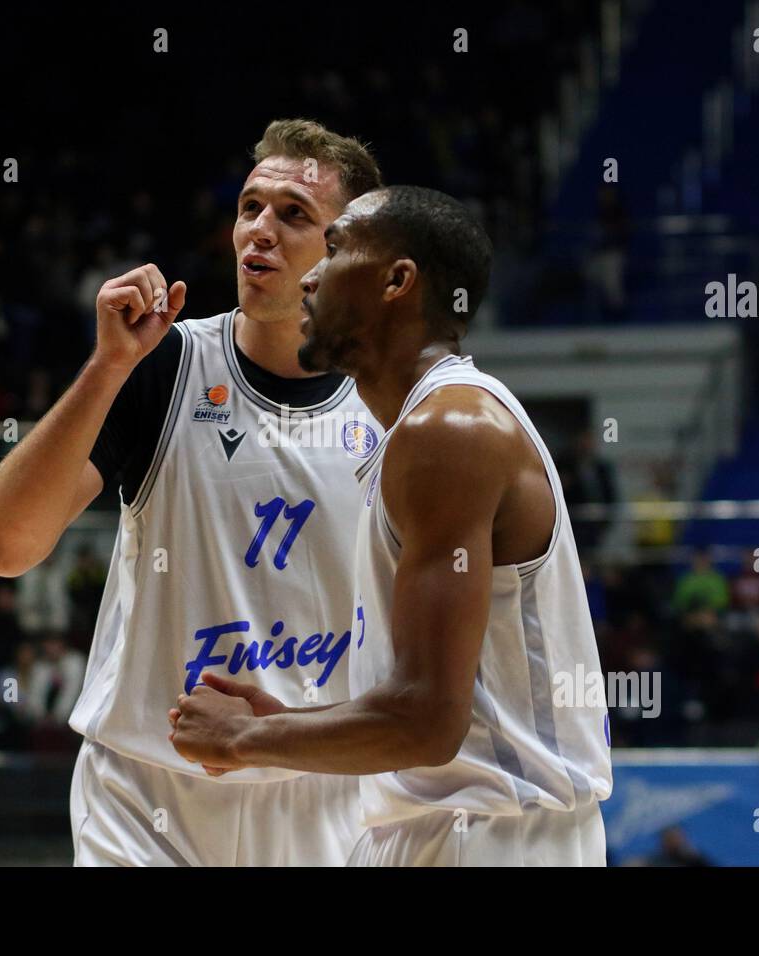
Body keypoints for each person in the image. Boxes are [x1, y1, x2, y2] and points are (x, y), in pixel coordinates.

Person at [0, 119, 384, 866]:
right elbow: (3, 547)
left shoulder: (395, 408)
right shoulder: (163, 367)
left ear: (348, 251)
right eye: (250, 207)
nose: (259, 230)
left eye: (294, 215)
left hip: (321, 797)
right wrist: (105, 368)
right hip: (143, 794)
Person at [169, 186, 611, 865]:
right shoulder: (422, 430)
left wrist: (244, 740)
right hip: (451, 828)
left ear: (398, 281)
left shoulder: (449, 430)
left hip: (488, 836)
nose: (311, 273)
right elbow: (418, 707)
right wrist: (279, 721)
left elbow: (428, 721)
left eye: (337, 248)